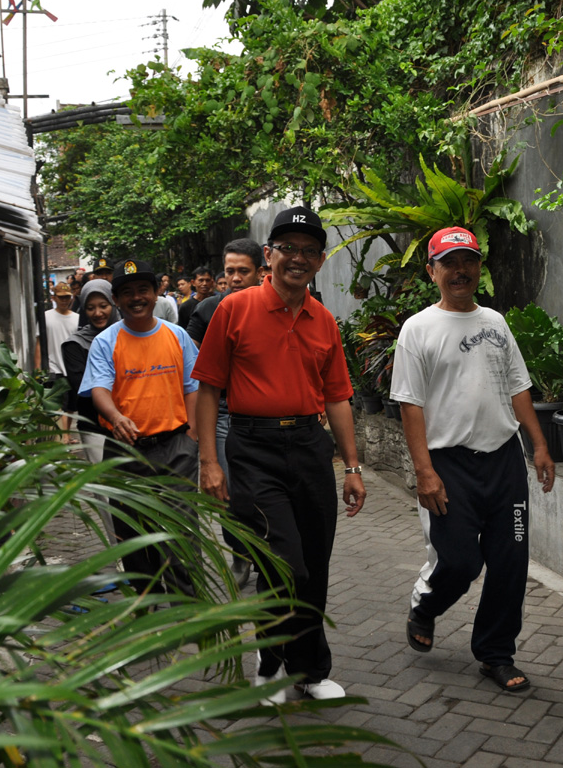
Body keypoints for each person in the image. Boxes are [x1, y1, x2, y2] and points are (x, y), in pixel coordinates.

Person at [193, 206, 365, 704]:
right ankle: (271, 662)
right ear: (268, 255)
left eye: (309, 251)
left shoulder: (324, 321)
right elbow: (208, 390)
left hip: (311, 448)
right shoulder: (235, 309)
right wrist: (210, 462)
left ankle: (310, 671)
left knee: (315, 564)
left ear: (319, 261)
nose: (298, 258)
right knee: (283, 564)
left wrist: (352, 467)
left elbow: (337, 398)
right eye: (288, 248)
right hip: (253, 448)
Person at [392, 226, 555, 693]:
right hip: (448, 465)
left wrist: (539, 446)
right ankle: (425, 607)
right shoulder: (417, 330)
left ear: (479, 267)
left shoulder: (495, 323)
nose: (459, 271)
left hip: (503, 461)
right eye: (449, 263)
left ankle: (496, 654)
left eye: (468, 261)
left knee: (510, 560)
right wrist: (424, 471)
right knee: (461, 561)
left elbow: (518, 386)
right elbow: (409, 405)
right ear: (432, 271)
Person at [79, 259, 200, 597]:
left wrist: (192, 436)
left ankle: (187, 607)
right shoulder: (106, 342)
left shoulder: (176, 336)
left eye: (142, 290)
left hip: (176, 449)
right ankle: (146, 604)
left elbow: (193, 387)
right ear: (117, 299)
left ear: (156, 292)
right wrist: (116, 418)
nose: (136, 298)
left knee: (182, 531)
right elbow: (99, 389)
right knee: (132, 534)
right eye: (127, 292)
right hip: (125, 452)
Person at [186, 237, 266, 588]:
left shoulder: (273, 308)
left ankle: (265, 552)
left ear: (260, 273)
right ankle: (238, 554)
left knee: (264, 489)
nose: (235, 278)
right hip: (221, 414)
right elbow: (191, 358)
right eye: (230, 271)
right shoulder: (206, 311)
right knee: (227, 490)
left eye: (242, 272)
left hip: (263, 413)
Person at [61, 279, 120, 543]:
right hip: (96, 427)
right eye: (91, 307)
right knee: (107, 493)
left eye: (104, 305)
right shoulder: (75, 345)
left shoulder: (128, 335)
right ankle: (120, 552)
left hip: (133, 425)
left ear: (113, 305)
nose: (97, 313)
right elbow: (84, 386)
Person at [37, 282, 80, 441]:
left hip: (72, 368)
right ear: (54, 298)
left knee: (70, 408)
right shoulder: (46, 317)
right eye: (61, 297)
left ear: (71, 297)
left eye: (67, 297)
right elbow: (39, 343)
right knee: (58, 405)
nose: (64, 300)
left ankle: (65, 435)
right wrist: (38, 367)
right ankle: (63, 437)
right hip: (53, 368)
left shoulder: (77, 319)